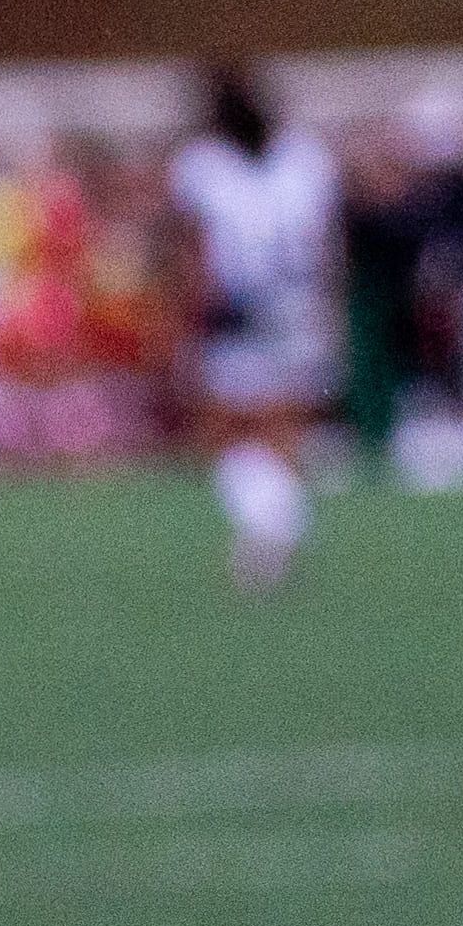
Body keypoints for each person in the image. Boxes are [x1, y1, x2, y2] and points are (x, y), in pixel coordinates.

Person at [167, 62, 341, 594]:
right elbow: (331, 248)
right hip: (299, 311)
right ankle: (276, 527)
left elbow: (194, 258)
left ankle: (271, 528)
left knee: (221, 436)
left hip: (236, 318)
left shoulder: (201, 167)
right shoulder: (307, 160)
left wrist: (183, 329)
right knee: (284, 434)